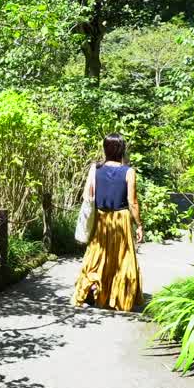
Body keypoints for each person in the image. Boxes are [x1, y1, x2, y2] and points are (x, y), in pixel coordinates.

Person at [71, 133, 143, 311]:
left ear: (105, 149)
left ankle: (91, 289)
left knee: (95, 257)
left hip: (101, 219)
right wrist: (139, 224)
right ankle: (119, 298)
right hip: (121, 220)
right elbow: (132, 201)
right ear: (122, 150)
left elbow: (87, 195)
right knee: (122, 259)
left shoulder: (95, 168)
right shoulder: (129, 172)